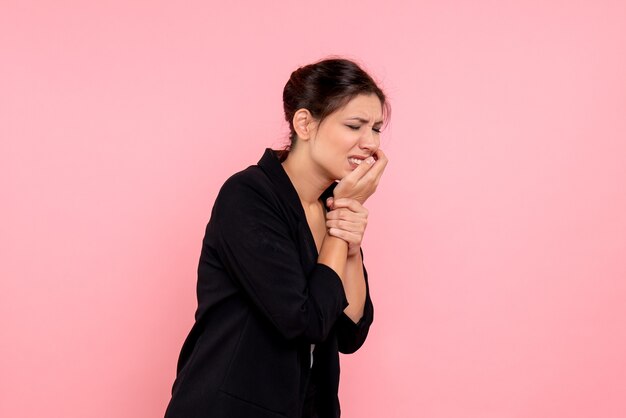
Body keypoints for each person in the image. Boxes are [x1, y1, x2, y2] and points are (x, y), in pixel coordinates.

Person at [164, 58, 389, 418]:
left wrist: (350, 243)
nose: (369, 142)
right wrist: (341, 222)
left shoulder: (330, 204)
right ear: (304, 123)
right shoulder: (248, 195)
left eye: (376, 128)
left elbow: (350, 333)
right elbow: (305, 321)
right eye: (354, 126)